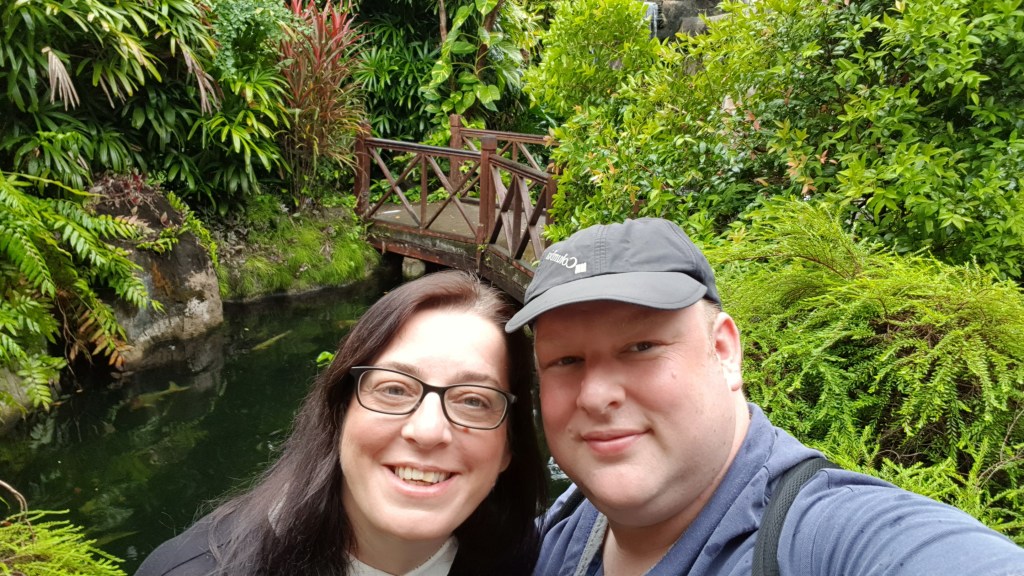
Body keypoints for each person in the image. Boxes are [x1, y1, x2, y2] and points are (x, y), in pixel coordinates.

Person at [504, 218, 1024, 576]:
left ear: (725, 351)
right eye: (566, 361)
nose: (596, 396)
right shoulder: (560, 533)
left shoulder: (825, 539)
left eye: (641, 347)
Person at [136, 270, 547, 576]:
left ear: (509, 446)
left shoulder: (527, 560)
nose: (426, 431)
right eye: (394, 389)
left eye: (474, 400)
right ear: (339, 412)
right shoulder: (199, 569)